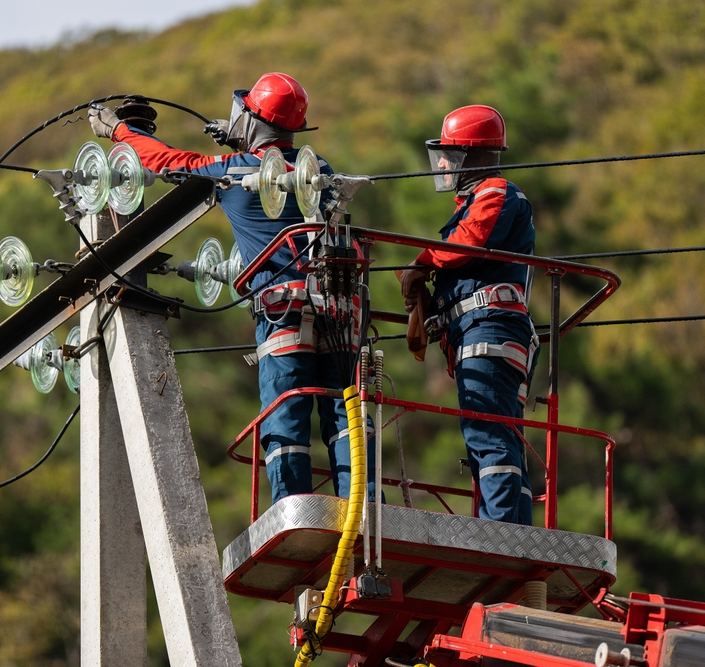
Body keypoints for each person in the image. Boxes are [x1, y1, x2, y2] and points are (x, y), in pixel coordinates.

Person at [89, 73, 377, 504]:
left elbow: (169, 162)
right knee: (345, 415)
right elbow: (274, 163)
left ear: (253, 123)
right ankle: (365, 507)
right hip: (340, 310)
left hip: (285, 312)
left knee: (287, 417)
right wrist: (243, 140)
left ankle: (294, 510)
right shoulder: (320, 173)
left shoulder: (233, 172)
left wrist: (119, 131)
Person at [399, 105, 538, 525]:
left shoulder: (496, 192)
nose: (441, 164)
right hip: (487, 332)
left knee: (488, 434)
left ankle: (499, 535)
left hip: (490, 327)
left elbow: (468, 244)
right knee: (499, 435)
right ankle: (515, 533)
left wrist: (423, 262)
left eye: (449, 154)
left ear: (472, 155)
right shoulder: (477, 200)